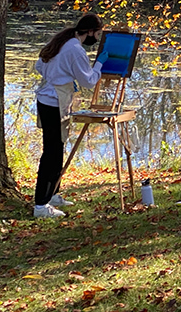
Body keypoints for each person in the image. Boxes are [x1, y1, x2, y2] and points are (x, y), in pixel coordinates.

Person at [32, 13, 108, 218]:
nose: (97, 39)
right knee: (52, 152)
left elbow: (40, 66)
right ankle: (40, 205)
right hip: (55, 102)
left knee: (58, 147)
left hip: (47, 99)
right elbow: (88, 81)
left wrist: (59, 76)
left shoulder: (61, 40)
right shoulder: (75, 49)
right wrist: (100, 64)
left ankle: (53, 194)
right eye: (97, 34)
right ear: (90, 31)